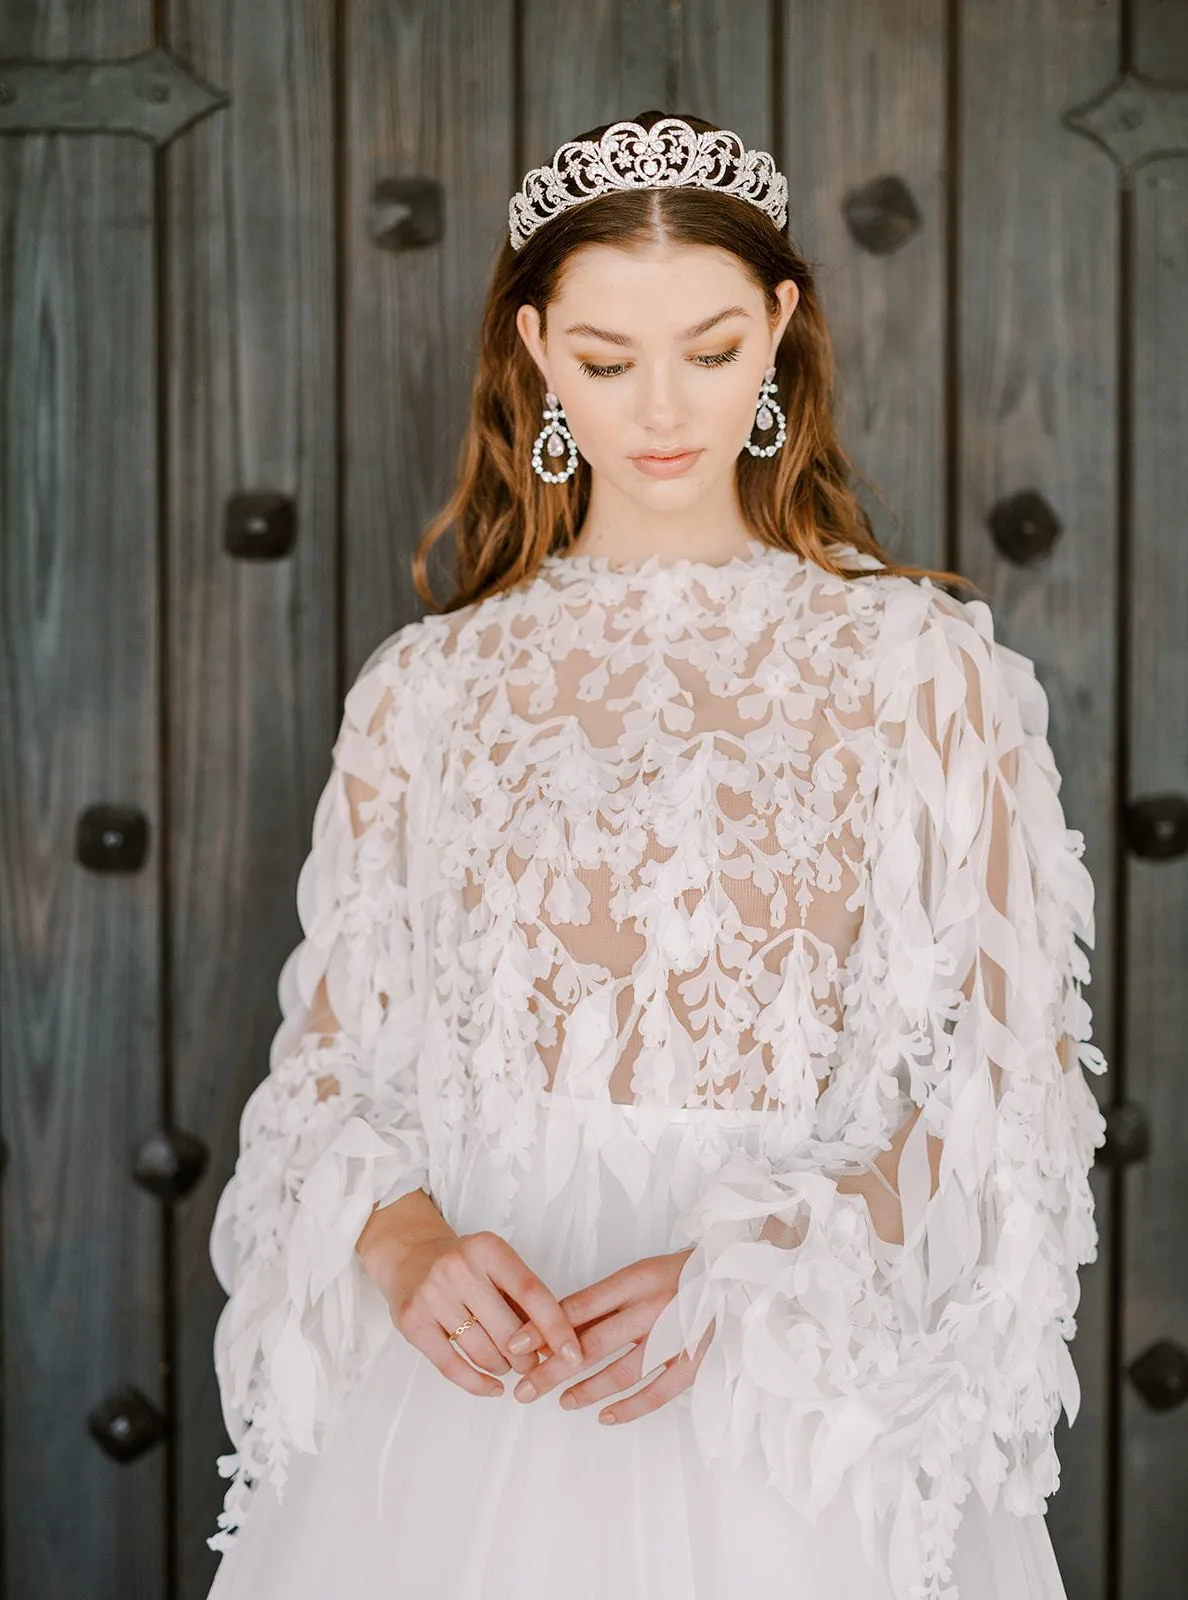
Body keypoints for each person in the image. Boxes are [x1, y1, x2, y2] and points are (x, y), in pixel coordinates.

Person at [203, 110, 1108, 1600]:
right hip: (473, 1399)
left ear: (781, 331)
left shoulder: (921, 667)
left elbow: (1008, 1079)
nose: (664, 409)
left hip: (788, 1403)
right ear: (539, 350)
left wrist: (768, 1276)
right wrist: (404, 1234)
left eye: (710, 348)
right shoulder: (427, 689)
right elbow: (325, 1066)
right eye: (610, 362)